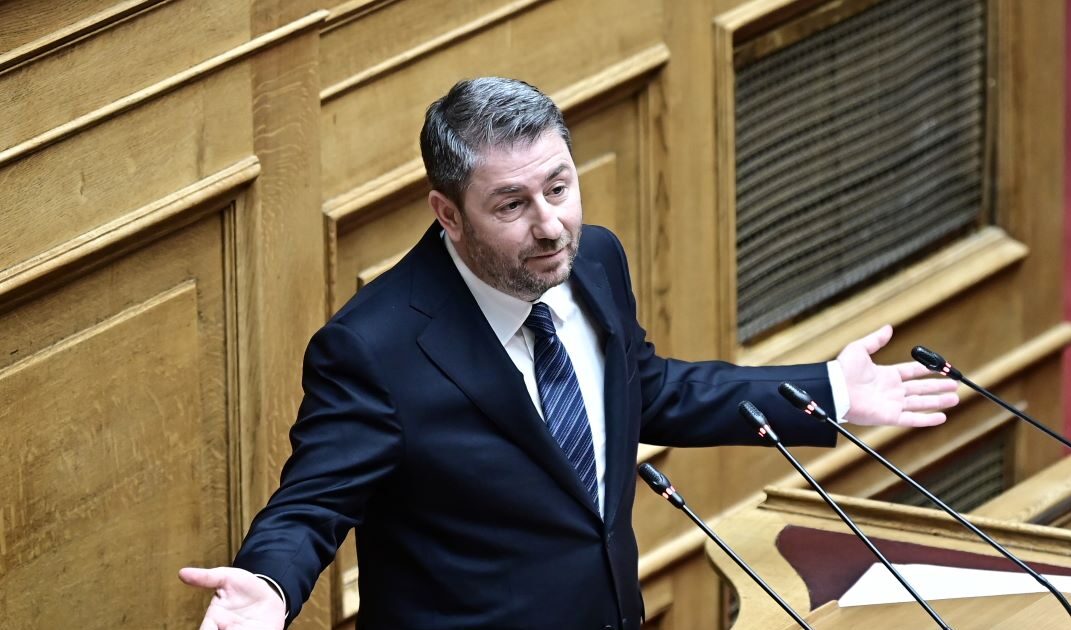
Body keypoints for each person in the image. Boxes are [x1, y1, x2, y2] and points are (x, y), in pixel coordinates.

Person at [179, 77, 958, 630]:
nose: (550, 225)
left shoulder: (595, 262)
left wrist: (825, 392)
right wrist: (268, 583)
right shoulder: (373, 348)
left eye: (559, 188)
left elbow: (646, 391)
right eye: (512, 205)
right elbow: (312, 504)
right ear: (448, 214)